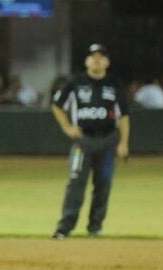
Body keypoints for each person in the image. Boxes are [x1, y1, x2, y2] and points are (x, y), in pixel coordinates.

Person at [50, 44, 130, 239]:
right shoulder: (75, 82)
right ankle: (64, 227)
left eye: (101, 56)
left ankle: (95, 227)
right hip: (83, 141)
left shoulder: (114, 85)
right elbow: (57, 105)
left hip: (108, 139)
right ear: (86, 60)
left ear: (107, 62)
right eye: (93, 56)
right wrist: (67, 127)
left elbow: (124, 116)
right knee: (76, 182)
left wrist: (123, 143)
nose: (96, 59)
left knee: (103, 184)